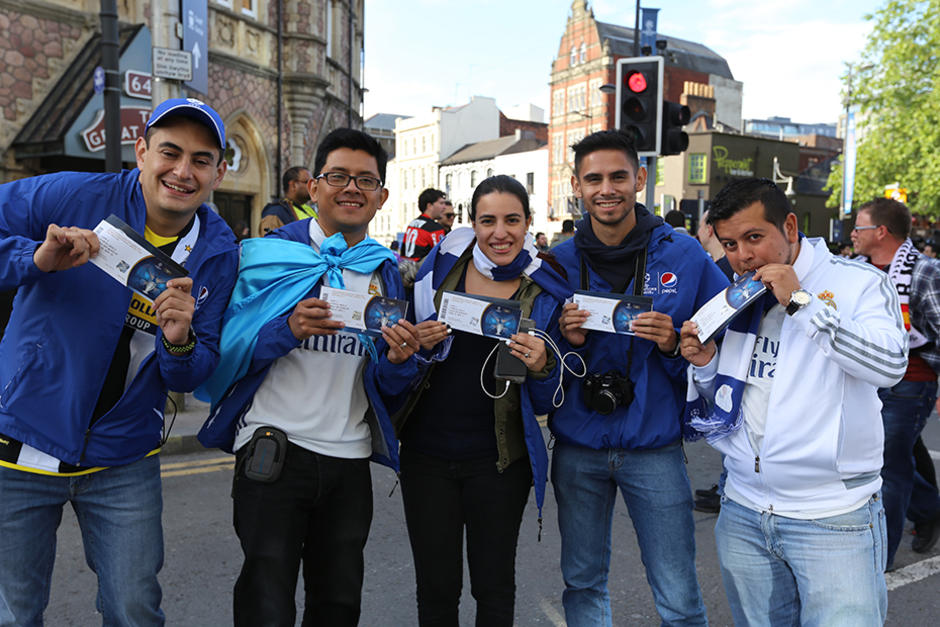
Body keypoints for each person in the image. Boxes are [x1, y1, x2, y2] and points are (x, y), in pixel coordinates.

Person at [0, 97, 238, 625]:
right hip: (22, 444)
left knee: (134, 611)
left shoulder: (219, 250)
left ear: (219, 172)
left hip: (123, 457)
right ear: (141, 151)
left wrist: (179, 340)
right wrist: (34, 261)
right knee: (14, 614)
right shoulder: (73, 194)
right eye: (170, 152)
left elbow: (197, 369)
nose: (182, 171)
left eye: (201, 160)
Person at [196, 128, 419, 626]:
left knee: (338, 605)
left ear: (381, 197)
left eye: (366, 180)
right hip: (273, 448)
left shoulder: (384, 271)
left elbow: (380, 382)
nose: (351, 188)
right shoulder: (263, 256)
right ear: (314, 188)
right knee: (266, 602)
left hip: (348, 458)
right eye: (338, 176)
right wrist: (286, 329)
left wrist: (400, 363)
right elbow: (225, 349)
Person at [680, 177, 907, 625]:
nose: (743, 255)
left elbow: (890, 366)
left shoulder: (859, 282)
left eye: (753, 237)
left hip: (833, 516)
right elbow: (729, 401)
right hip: (743, 506)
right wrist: (705, 364)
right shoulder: (736, 292)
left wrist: (803, 303)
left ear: (789, 226)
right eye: (729, 243)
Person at [551, 130, 727, 626]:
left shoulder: (684, 255)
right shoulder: (558, 262)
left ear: (640, 179)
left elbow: (721, 338)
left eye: (618, 176)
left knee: (677, 592)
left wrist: (675, 343)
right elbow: (539, 363)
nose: (606, 189)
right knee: (582, 583)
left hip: (654, 448)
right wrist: (568, 342)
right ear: (577, 186)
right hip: (578, 447)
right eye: (593, 179)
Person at [395, 174, 570, 626]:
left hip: (499, 463)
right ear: (471, 224)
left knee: (493, 588)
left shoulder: (546, 291)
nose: (500, 232)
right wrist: (414, 350)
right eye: (487, 220)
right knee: (435, 590)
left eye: (512, 220)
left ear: (528, 222)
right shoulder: (440, 270)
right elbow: (393, 370)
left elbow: (548, 400)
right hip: (426, 458)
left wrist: (542, 365)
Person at [850, 197, 940, 565]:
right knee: (885, 455)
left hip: (910, 381)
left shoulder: (924, 271)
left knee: (888, 463)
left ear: (881, 232)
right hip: (866, 377)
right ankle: (929, 508)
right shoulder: (854, 269)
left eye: (859, 227)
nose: (852, 234)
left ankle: (879, 557)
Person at [259, 165, 317, 235]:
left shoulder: (309, 209)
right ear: (293, 185)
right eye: (307, 182)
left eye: (313, 183)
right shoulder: (275, 213)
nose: (313, 186)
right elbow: (270, 244)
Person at [402, 188, 448, 261]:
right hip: (422, 269)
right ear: (429, 205)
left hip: (406, 268)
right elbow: (441, 257)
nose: (445, 207)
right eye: (441, 203)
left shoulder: (412, 223)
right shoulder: (434, 228)